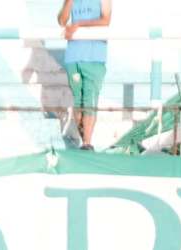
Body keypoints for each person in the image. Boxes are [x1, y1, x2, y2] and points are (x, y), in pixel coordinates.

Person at [57, 0, 111, 151]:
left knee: (89, 100)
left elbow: (105, 20)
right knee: (77, 100)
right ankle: (84, 142)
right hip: (73, 56)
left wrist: (78, 24)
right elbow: (62, 21)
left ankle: (87, 143)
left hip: (94, 56)